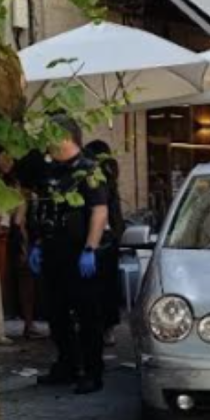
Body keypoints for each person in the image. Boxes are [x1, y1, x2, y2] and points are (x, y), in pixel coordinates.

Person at [28, 119, 112, 394]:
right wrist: (38, 243)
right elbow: (42, 209)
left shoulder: (88, 170)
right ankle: (66, 365)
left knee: (87, 316)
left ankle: (92, 371)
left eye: (51, 136)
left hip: (80, 252)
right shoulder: (49, 170)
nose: (46, 143)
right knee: (57, 315)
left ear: (66, 138)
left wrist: (90, 248)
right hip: (53, 250)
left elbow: (99, 211)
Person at [83, 140, 126, 343]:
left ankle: (103, 327)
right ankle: (103, 327)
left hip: (102, 238)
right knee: (104, 286)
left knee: (101, 286)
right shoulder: (107, 177)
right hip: (105, 238)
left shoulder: (101, 178)